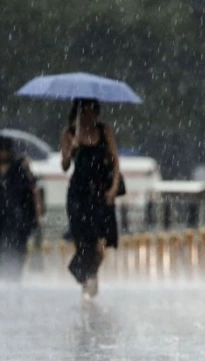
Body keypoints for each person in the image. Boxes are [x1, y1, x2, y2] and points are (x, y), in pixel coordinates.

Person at [60, 98, 121, 300]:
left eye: (91, 112)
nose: (88, 116)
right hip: (78, 193)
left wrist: (113, 189)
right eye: (83, 112)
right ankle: (88, 282)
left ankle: (85, 274)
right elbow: (65, 166)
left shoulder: (105, 131)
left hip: (100, 192)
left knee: (101, 242)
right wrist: (72, 148)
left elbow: (115, 162)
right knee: (82, 240)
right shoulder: (69, 133)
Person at [0, 136, 42, 282]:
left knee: (18, 253)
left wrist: (37, 217)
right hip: (4, 220)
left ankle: (14, 280)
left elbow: (34, 191)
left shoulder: (20, 168)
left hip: (19, 220)